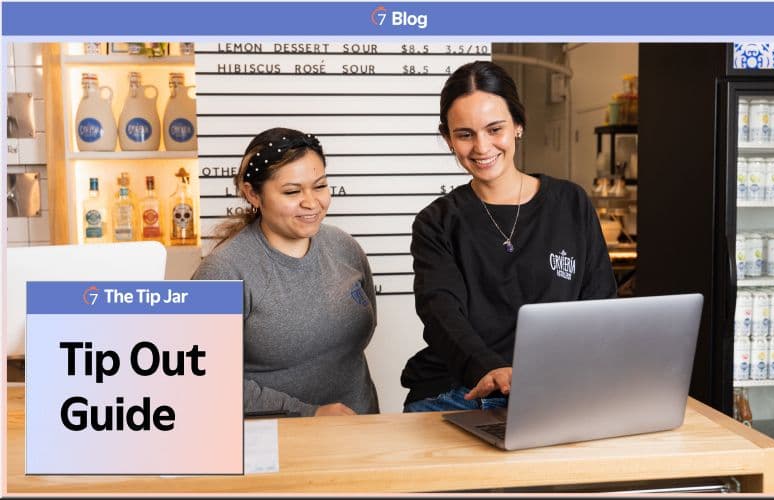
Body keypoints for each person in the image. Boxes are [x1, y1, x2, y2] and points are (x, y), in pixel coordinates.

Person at [401, 61, 617, 412]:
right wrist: (490, 368)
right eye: (465, 134)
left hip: (553, 391)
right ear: (448, 139)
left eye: (495, 129)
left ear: (518, 125)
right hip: (461, 392)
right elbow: (442, 315)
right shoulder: (436, 222)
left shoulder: (570, 203)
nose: (482, 147)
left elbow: (600, 303)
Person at [193, 127, 379, 417]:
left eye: (319, 186)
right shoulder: (222, 271)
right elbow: (205, 381)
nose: (311, 202)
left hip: (358, 431)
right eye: (292, 191)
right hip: (273, 442)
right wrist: (309, 413)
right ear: (252, 194)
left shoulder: (345, 247)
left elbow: (357, 340)